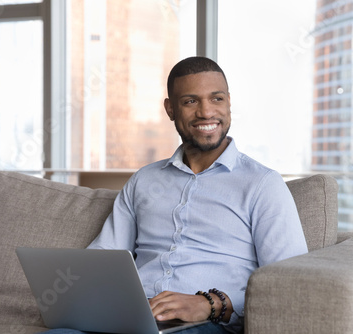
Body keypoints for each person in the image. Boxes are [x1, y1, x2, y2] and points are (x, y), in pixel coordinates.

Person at [43, 56, 308, 334]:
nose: (206, 112)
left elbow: (288, 284)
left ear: (229, 102)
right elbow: (102, 257)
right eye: (190, 101)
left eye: (216, 99)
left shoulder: (263, 185)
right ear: (170, 109)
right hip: (133, 318)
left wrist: (211, 304)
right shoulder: (144, 180)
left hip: (208, 325)